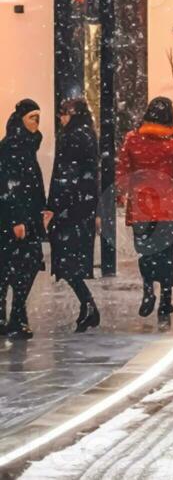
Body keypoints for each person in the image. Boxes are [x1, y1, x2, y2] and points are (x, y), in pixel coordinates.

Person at [116, 97, 173, 326]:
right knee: (167, 255)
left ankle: (148, 288)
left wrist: (121, 194)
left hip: (142, 206)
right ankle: (165, 299)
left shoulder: (132, 139)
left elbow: (123, 169)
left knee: (146, 252)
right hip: (169, 208)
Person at [48, 98, 100, 332]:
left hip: (70, 209)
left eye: (64, 113)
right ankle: (87, 305)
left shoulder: (71, 137)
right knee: (72, 261)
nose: (61, 117)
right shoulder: (88, 135)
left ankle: (88, 304)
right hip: (82, 208)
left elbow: (63, 175)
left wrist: (54, 205)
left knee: (66, 260)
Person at [0, 100, 50, 340]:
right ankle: (16, 317)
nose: (36, 123)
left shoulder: (27, 146)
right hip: (16, 219)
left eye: (38, 118)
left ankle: (14, 315)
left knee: (19, 265)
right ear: (21, 119)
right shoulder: (12, 148)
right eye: (32, 117)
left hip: (27, 217)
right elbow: (10, 186)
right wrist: (17, 219)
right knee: (19, 265)